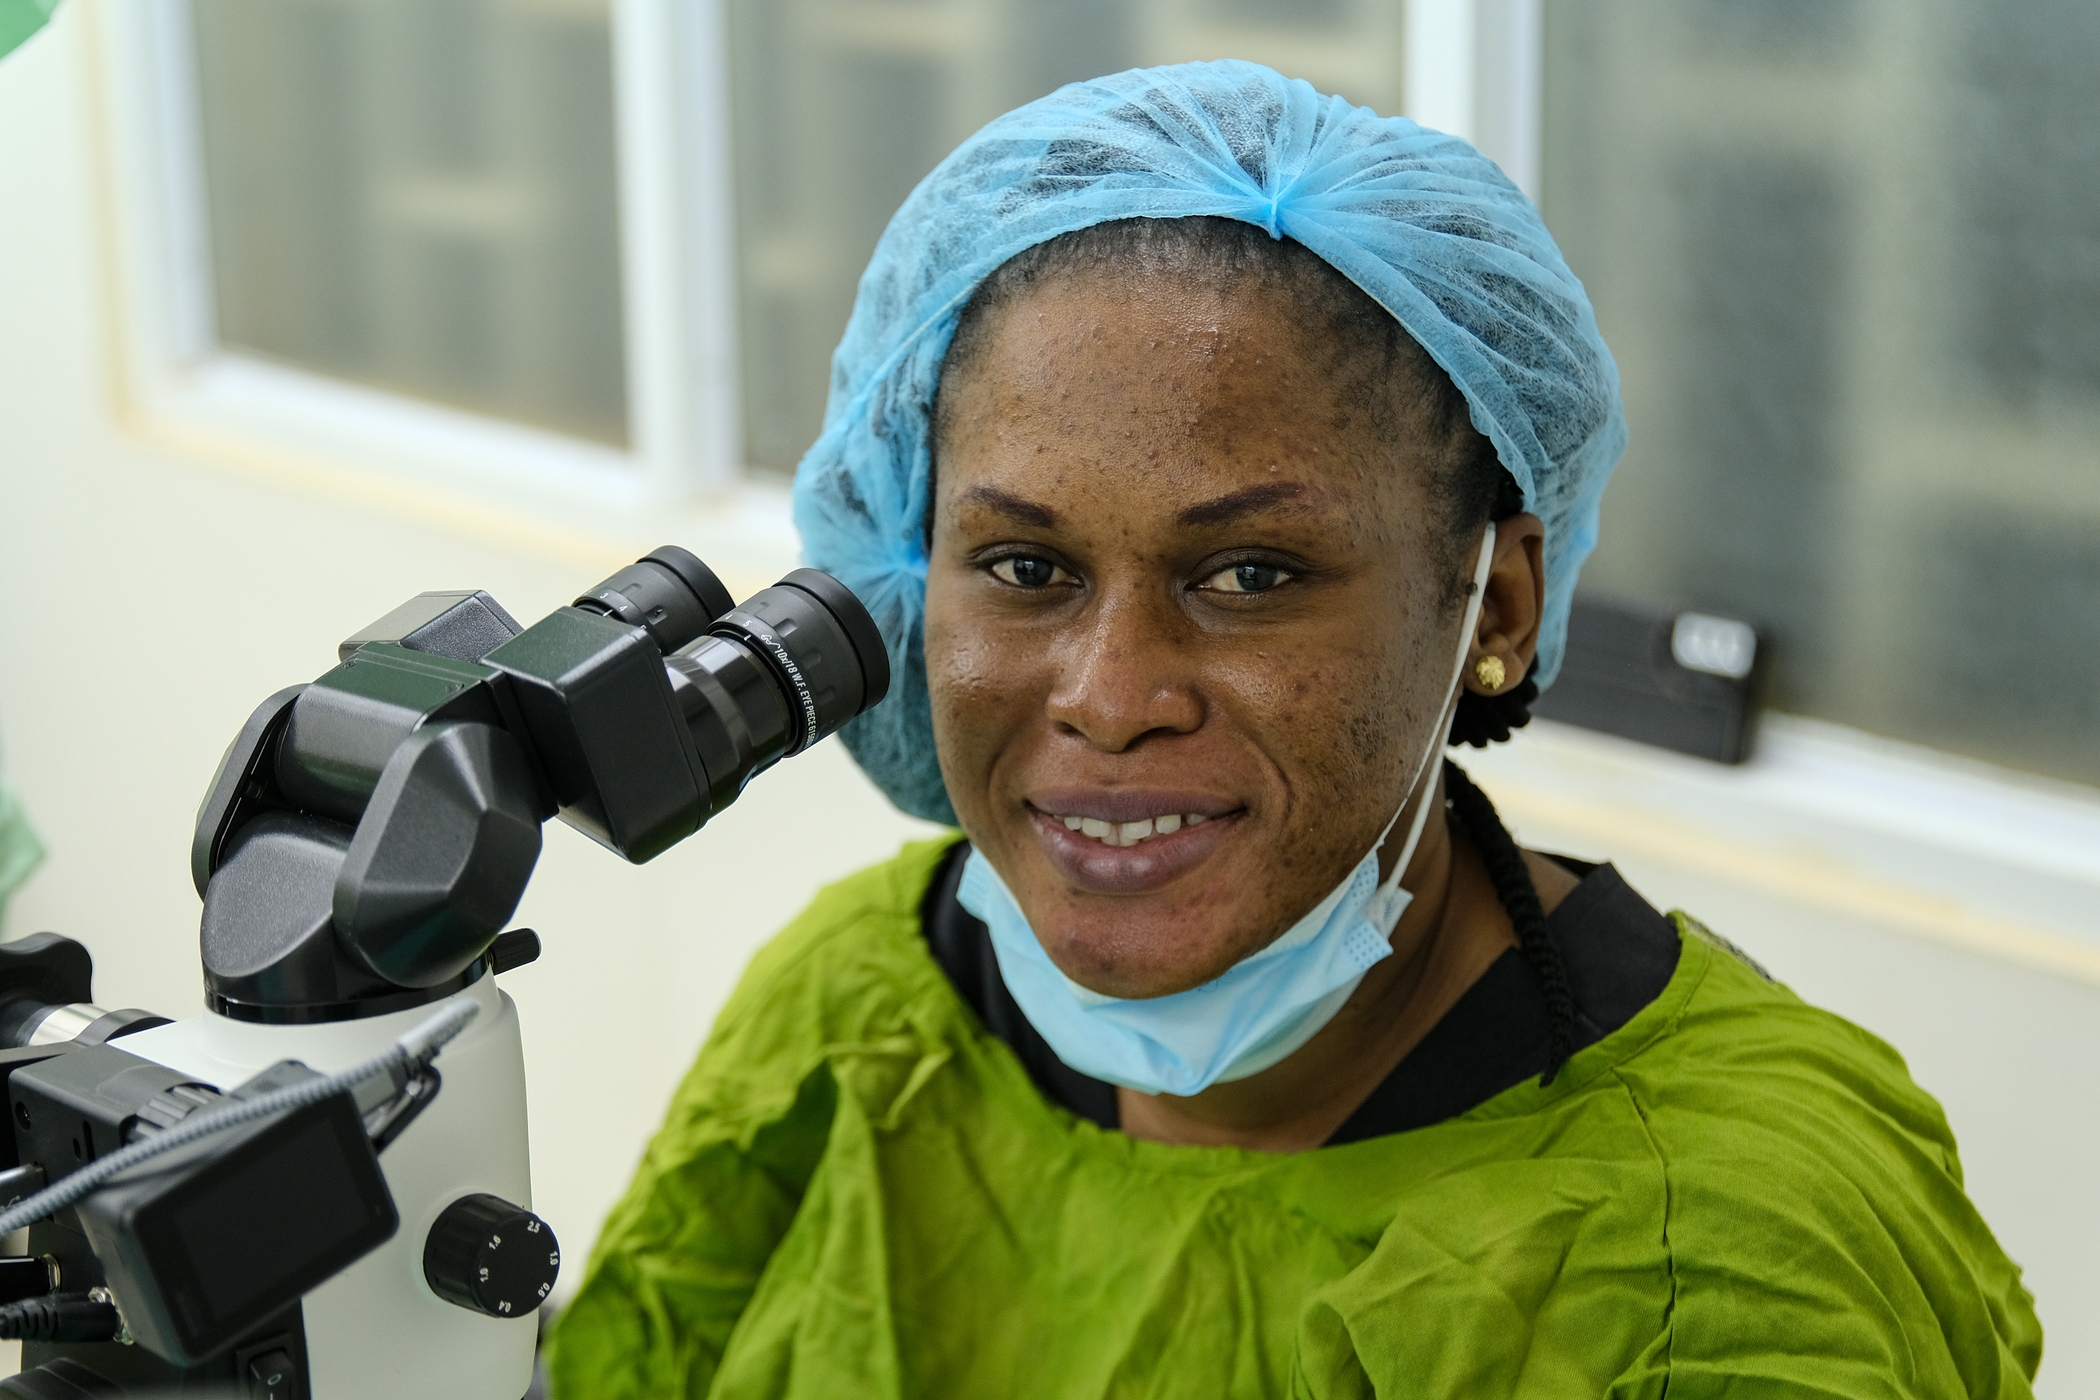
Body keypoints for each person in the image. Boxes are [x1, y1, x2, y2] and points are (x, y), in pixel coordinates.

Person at [547, 62, 2041, 1397]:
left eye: (1250, 576)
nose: (1112, 697)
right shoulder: (865, 1017)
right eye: (1024, 567)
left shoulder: (1723, 1242)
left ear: (1497, 605)